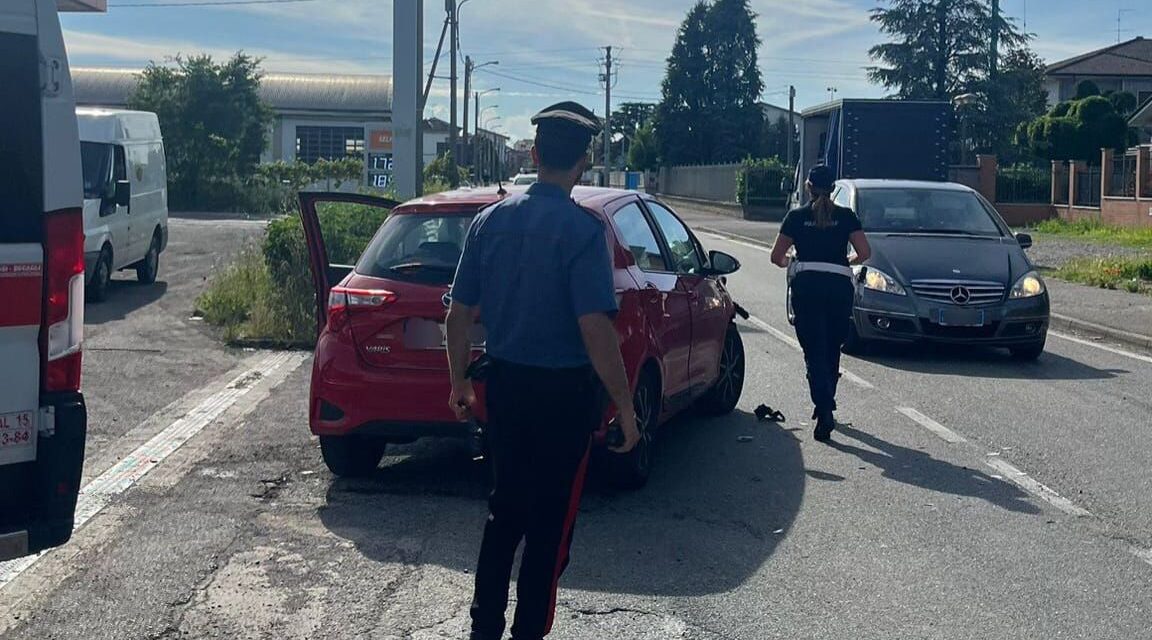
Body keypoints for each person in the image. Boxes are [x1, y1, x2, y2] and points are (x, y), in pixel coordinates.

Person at [445, 100, 641, 640]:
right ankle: (528, 632)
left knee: (503, 513)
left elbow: (458, 314)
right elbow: (595, 329)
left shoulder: (489, 222)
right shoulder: (583, 232)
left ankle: (483, 628)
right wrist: (625, 406)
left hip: (505, 389)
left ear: (533, 154)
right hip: (563, 399)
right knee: (549, 524)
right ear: (583, 163)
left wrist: (459, 381)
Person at [770, 165, 871, 442]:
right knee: (831, 347)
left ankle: (824, 407)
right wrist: (843, 262)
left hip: (808, 287)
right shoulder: (847, 216)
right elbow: (864, 252)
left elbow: (776, 256)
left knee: (813, 350)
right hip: (839, 287)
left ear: (808, 187)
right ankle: (827, 401)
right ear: (833, 189)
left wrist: (792, 261)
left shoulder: (796, 217)